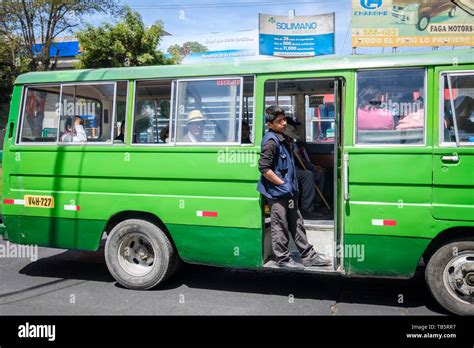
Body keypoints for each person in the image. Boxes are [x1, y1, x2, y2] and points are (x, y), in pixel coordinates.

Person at [257, 105, 331, 269]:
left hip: (288, 191)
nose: (284, 123)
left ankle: (308, 256)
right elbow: (264, 168)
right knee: (280, 225)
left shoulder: (283, 139)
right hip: (277, 193)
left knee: (297, 223)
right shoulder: (271, 141)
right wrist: (282, 184)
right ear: (270, 124)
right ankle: (282, 259)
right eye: (279, 121)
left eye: (284, 119)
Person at [283, 118, 325, 219]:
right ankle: (307, 208)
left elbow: (300, 159)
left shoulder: (293, 144)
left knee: (320, 173)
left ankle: (316, 204)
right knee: (308, 175)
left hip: (297, 168)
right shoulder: (283, 144)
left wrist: (312, 166)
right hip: (287, 171)